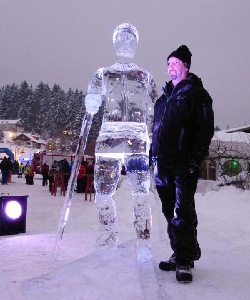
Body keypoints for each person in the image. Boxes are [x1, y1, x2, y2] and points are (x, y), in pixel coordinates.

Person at [84, 23, 157, 260]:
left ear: (136, 44)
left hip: (137, 140)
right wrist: (91, 102)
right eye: (121, 39)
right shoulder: (103, 74)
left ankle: (143, 237)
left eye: (130, 39)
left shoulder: (146, 77)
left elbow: (158, 108)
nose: (126, 43)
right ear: (114, 42)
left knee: (141, 191)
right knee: (103, 191)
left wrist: (157, 135)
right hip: (108, 141)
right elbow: (92, 98)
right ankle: (108, 232)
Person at [150, 45, 214, 283]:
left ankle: (186, 260)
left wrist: (194, 160)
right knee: (169, 211)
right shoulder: (163, 98)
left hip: (182, 164)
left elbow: (204, 131)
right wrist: (151, 155)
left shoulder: (198, 96)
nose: (170, 68)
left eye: (175, 63)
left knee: (182, 211)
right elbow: (156, 130)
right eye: (168, 64)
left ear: (186, 66)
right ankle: (180, 252)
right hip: (161, 163)